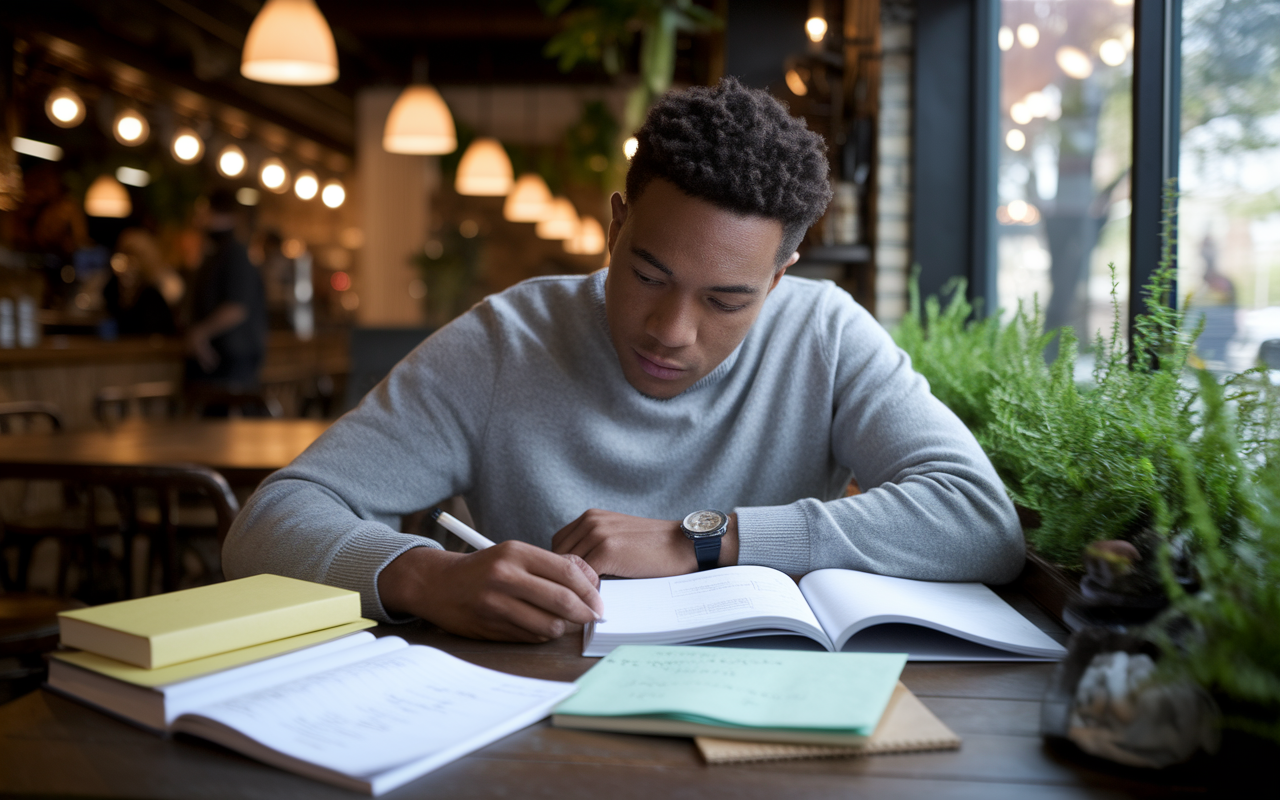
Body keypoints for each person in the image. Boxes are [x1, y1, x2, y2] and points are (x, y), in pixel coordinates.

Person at [224, 78, 1023, 642]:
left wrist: (702, 539)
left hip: (765, 717)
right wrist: (423, 578)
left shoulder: (825, 333)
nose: (671, 330)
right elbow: (267, 523)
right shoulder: (506, 340)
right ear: (615, 225)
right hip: (526, 719)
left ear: (778, 281)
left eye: (726, 300)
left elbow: (979, 522)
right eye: (646, 275)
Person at [184, 189, 268, 394]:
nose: (198, 217)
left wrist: (199, 333)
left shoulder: (235, 254)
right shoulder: (217, 252)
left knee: (228, 423)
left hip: (232, 361)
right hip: (218, 359)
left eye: (202, 210)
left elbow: (237, 308)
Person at [103, 228, 180, 337]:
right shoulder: (115, 286)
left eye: (132, 256)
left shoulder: (152, 294)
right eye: (123, 254)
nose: (126, 262)